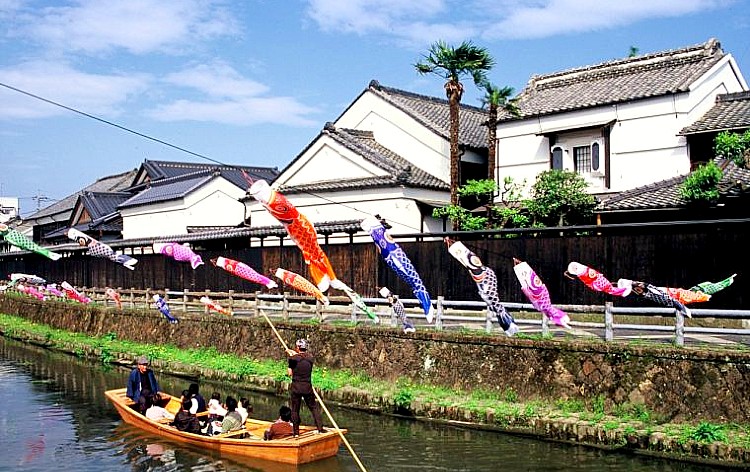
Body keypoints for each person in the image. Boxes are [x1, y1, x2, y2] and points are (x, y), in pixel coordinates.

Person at [287, 338, 325, 436]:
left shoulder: (293, 359)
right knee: (313, 408)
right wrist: (293, 355)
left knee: (295, 410)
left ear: (297, 347)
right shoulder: (311, 358)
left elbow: (289, 373)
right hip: (307, 387)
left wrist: (291, 356)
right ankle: (320, 428)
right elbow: (302, 358)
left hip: (296, 387)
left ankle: (296, 433)